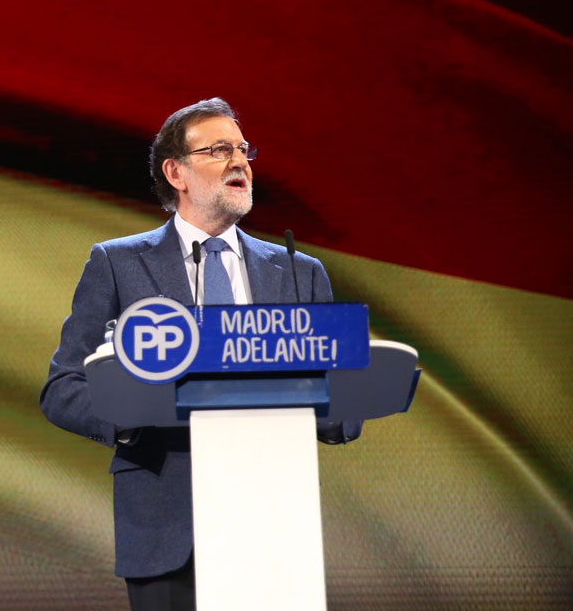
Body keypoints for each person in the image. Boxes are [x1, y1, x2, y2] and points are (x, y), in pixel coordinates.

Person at [39, 97, 359, 611]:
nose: (240, 162)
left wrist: (344, 403)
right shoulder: (118, 264)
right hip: (166, 528)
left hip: (275, 529)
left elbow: (339, 405)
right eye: (218, 149)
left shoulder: (300, 272)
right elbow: (62, 389)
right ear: (176, 172)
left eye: (243, 149)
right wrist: (132, 416)